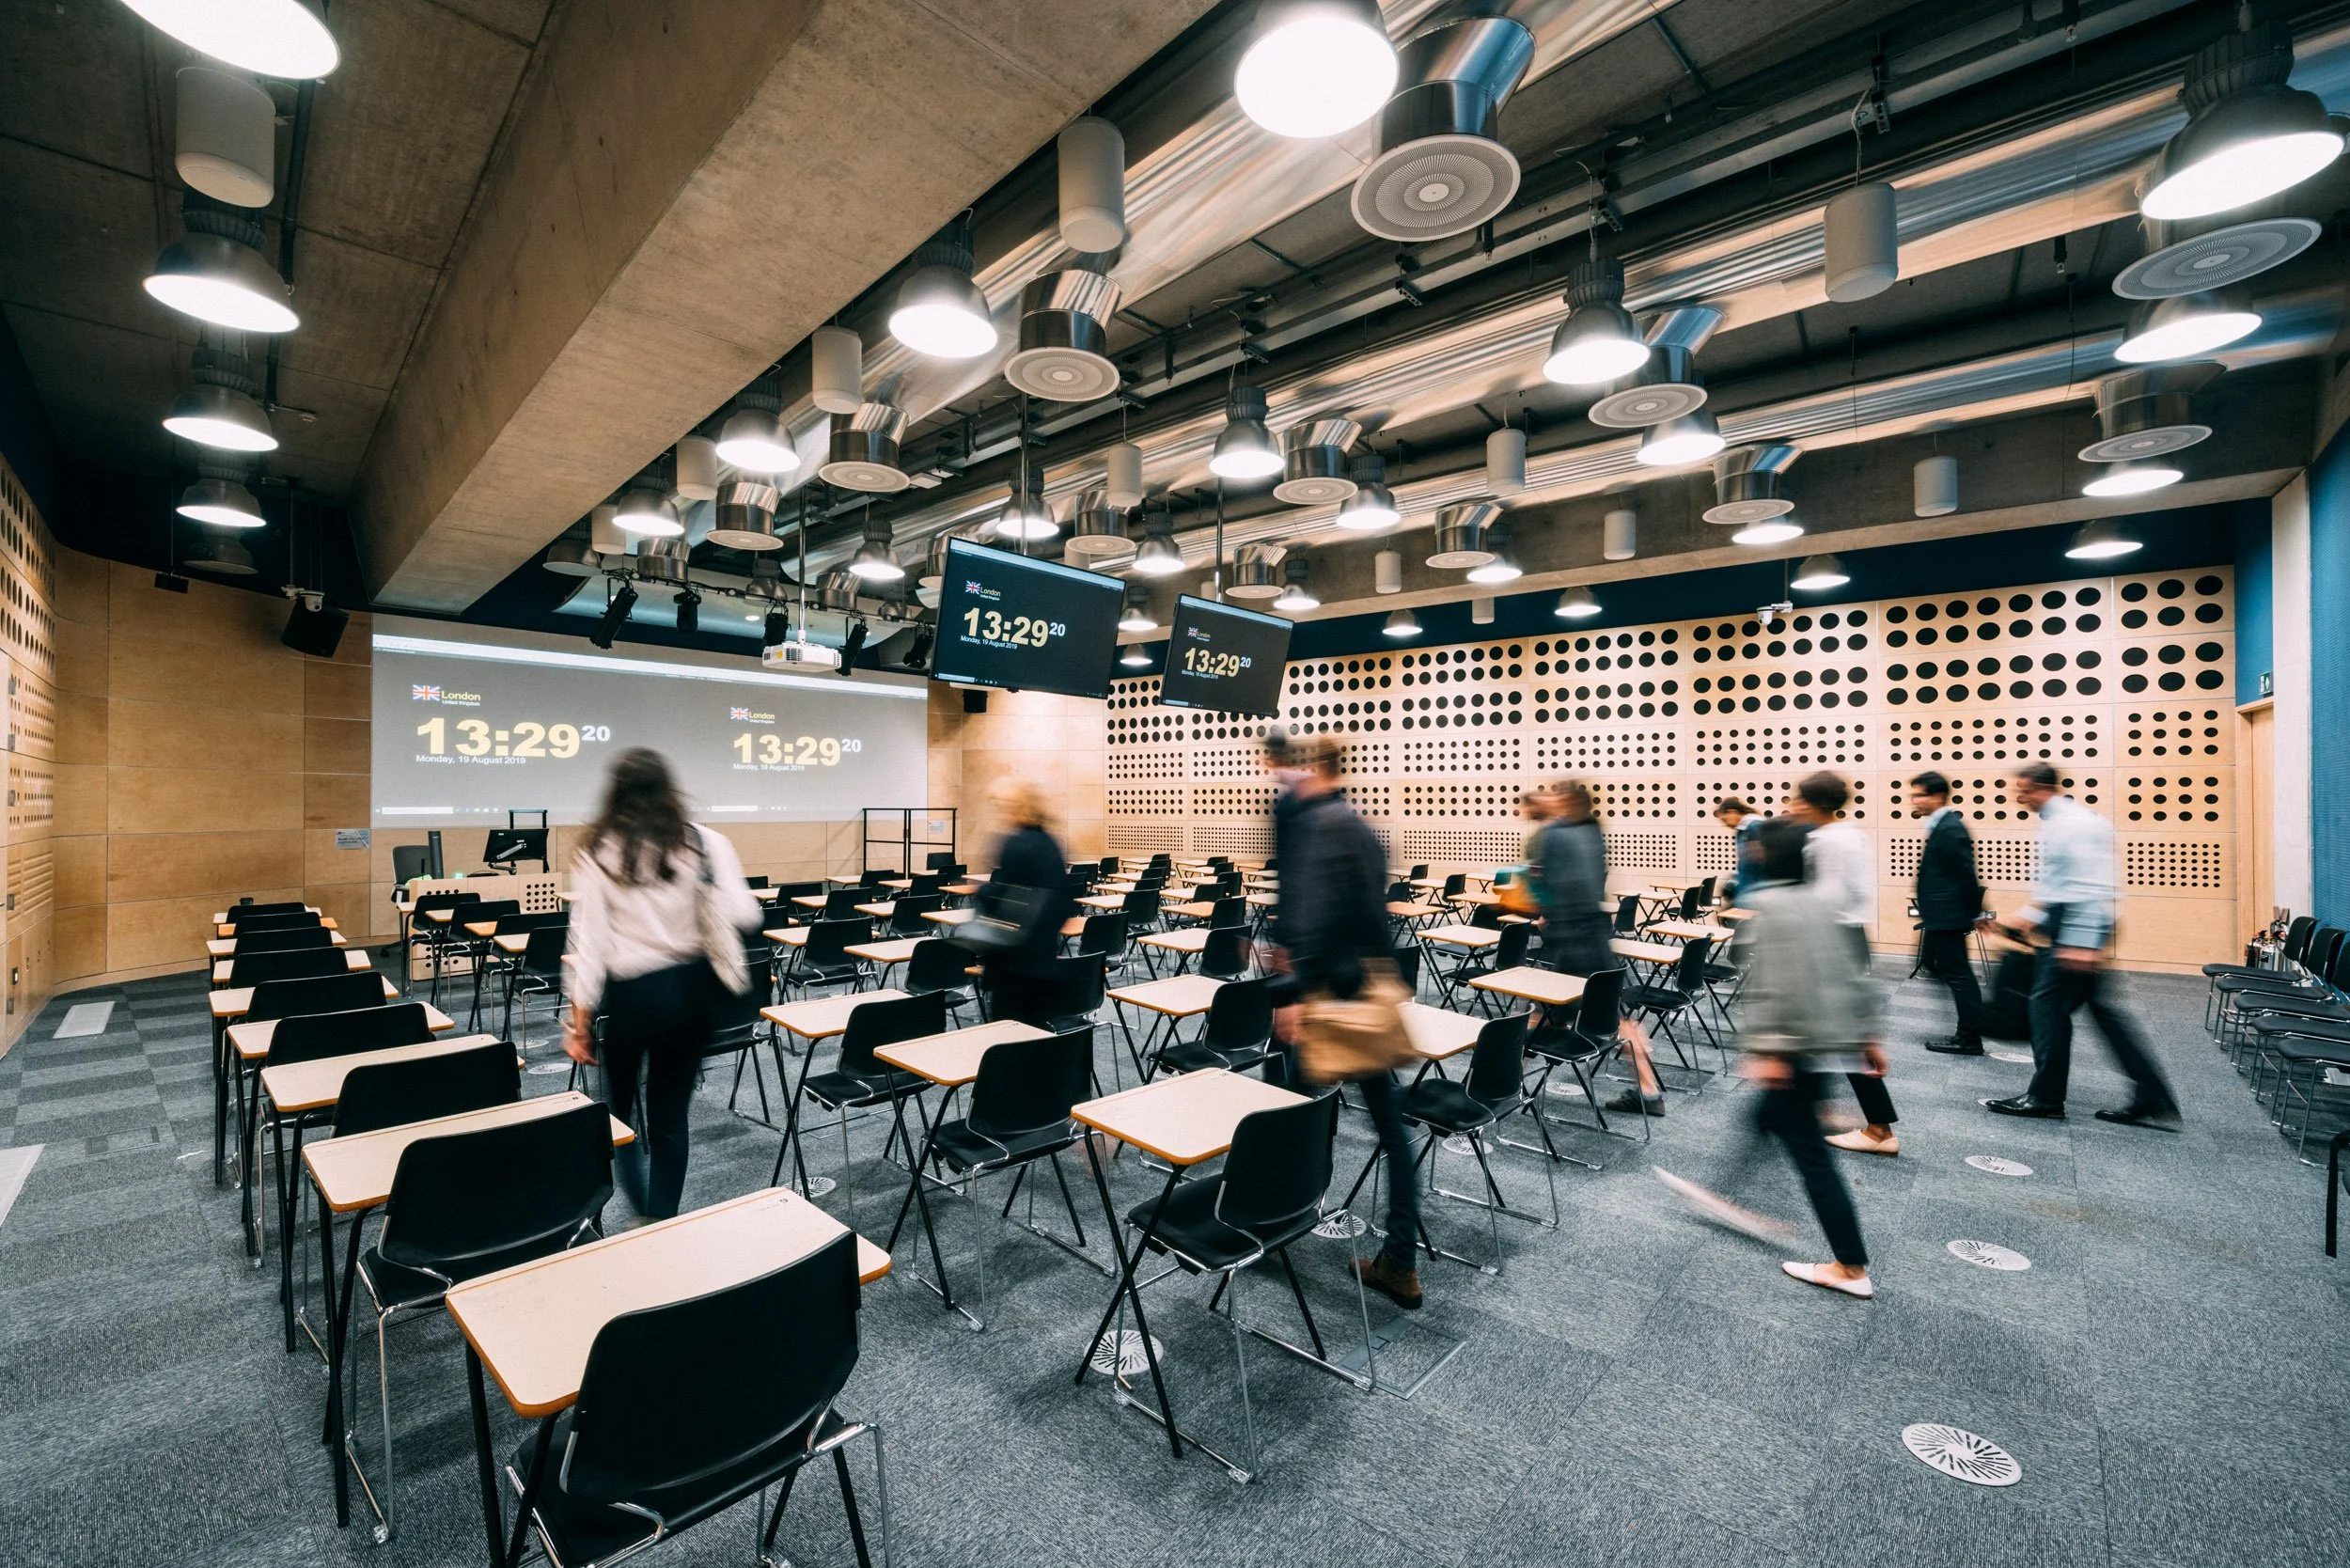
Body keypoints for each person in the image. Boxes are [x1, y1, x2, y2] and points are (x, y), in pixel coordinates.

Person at [1654, 817, 1879, 1299]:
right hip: (1826, 1042)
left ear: (1767, 855)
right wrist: (1867, 1035)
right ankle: (1727, 1195)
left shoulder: (1772, 907)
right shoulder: (1826, 902)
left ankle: (1850, 1266)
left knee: (1813, 1160)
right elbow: (1853, 973)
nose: (1749, 853)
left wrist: (1770, 1049)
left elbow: (1771, 987)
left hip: (1794, 1049)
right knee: (1764, 1119)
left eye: (1754, 848)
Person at [563, 747, 763, 1220]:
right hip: (691, 993)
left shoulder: (597, 851)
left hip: (632, 996)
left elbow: (587, 944)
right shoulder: (705, 842)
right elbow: (747, 913)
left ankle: (636, 1203)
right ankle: (662, 1213)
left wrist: (579, 1024)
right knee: (671, 1115)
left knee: (620, 1112)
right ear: (669, 790)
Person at [1264, 735, 1425, 1310]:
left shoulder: (1315, 826)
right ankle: (1400, 1261)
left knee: (1291, 1118)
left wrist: (1288, 993)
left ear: (1312, 771)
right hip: (1369, 996)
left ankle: (1265, 1224)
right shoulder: (1362, 828)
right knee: (1392, 1132)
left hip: (1326, 1001)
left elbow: (1304, 914)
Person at [1985, 761, 2180, 1129]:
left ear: (2041, 788)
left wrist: (2083, 941)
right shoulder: (2059, 823)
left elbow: (2093, 886)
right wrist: (2024, 920)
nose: (2019, 797)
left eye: (2023, 790)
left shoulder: (2074, 825)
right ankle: (2149, 1093)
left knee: (2046, 1010)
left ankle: (2046, 1098)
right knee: (2094, 1014)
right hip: (2072, 924)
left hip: (2080, 928)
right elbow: (2058, 885)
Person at [1527, 779, 1665, 1115]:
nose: (1550, 798)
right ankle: (1650, 1092)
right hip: (1595, 933)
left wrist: (1540, 906)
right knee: (1613, 1016)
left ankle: (1496, 1087)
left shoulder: (1556, 835)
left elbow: (1540, 885)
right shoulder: (1592, 831)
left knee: (1546, 1013)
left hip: (1570, 939)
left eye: (1557, 795)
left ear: (1569, 803)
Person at [1783, 772, 1903, 1157]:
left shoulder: (1824, 841)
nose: (1792, 806)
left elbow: (1825, 898)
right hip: (1851, 935)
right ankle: (1821, 1108)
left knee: (1844, 1035)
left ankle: (1879, 1129)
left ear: (1810, 803)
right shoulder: (1852, 834)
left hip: (1831, 940)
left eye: (1797, 800)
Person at [976, 778, 1078, 1028]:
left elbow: (1004, 905)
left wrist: (983, 891)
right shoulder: (1050, 842)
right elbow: (1064, 903)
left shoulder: (1016, 844)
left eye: (1004, 805)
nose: (1001, 811)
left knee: (1008, 1042)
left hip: (1014, 966)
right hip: (1045, 959)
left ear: (1019, 807)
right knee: (1035, 1039)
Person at [1909, 771, 1988, 1055]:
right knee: (1937, 965)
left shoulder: (1950, 827)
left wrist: (1976, 914)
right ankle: (1973, 1024)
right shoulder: (1941, 825)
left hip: (1948, 915)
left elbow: (1965, 875)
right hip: (1941, 914)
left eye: (1919, 795)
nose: (1914, 801)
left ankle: (1970, 1037)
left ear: (1938, 796)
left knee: (1959, 976)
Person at [1714, 796, 1763, 905]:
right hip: (1748, 889)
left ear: (1732, 812)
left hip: (1755, 891)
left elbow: (1759, 862)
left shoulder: (1754, 826)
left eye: (1725, 820)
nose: (1726, 825)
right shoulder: (1742, 830)